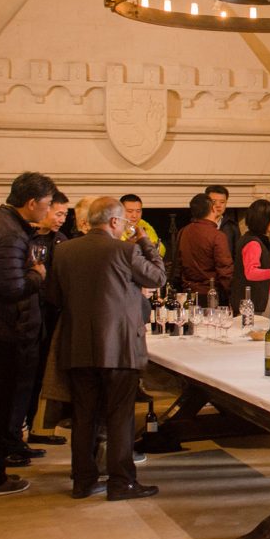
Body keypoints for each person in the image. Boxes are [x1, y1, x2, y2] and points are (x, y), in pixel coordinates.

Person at [48, 196, 165, 500]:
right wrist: (144, 241)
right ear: (115, 222)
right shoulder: (126, 250)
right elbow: (158, 276)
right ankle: (121, 482)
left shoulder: (63, 251)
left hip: (77, 347)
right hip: (120, 348)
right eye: (125, 222)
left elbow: (54, 298)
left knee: (84, 416)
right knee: (119, 417)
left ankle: (83, 481)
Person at [0, 172, 55, 496]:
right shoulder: (12, 234)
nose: (47, 212)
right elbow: (11, 287)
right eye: (45, 205)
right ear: (31, 203)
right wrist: (37, 275)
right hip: (1, 332)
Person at [22, 192, 69, 446]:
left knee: (42, 378)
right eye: (59, 213)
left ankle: (36, 431)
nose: (62, 219)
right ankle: (17, 436)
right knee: (24, 379)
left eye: (65, 214)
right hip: (28, 316)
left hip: (51, 317)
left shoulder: (61, 241)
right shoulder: (25, 239)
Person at [231, 200, 270, 317]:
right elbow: (250, 272)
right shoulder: (253, 242)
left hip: (256, 300)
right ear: (263, 221)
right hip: (252, 302)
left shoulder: (254, 238)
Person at [178, 193, 233, 303]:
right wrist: (231, 294)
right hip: (210, 295)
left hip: (187, 293)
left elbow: (178, 265)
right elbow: (225, 271)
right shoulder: (217, 236)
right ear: (212, 208)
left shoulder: (183, 231)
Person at [206, 185, 242, 259]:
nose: (218, 205)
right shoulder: (198, 226)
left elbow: (237, 256)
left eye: (222, 202)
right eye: (213, 202)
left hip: (226, 269)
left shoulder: (232, 227)